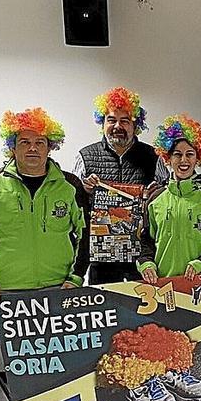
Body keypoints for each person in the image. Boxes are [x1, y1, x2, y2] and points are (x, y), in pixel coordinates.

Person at [0, 107, 95, 401]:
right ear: (12, 147)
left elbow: (87, 234)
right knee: (25, 364)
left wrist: (76, 277)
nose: (33, 149)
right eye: (25, 142)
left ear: (51, 147)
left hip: (61, 289)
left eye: (40, 142)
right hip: (12, 291)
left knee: (71, 357)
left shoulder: (69, 185)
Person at [136, 114, 201, 401]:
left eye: (190, 154)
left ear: (199, 157)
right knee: (171, 348)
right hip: (163, 289)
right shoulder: (155, 198)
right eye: (177, 154)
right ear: (167, 157)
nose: (184, 160)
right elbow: (145, 241)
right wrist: (146, 265)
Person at [74, 86, 168, 284]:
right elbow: (72, 205)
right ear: (102, 123)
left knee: (142, 311)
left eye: (125, 121)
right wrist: (85, 190)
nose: (118, 126)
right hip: (102, 254)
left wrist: (156, 194)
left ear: (136, 125)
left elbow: (168, 199)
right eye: (111, 120)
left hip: (142, 253)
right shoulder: (85, 156)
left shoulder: (154, 156)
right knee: (105, 310)